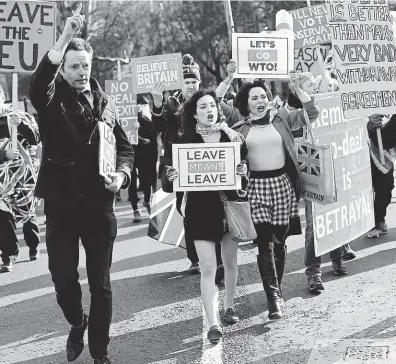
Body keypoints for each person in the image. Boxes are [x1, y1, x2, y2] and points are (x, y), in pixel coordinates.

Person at [29, 5, 134, 364]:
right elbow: (38, 83)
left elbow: (124, 146)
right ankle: (77, 321)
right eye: (73, 66)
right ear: (64, 67)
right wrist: (62, 37)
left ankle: (100, 352)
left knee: (101, 285)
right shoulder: (51, 97)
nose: (81, 72)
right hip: (61, 203)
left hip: (99, 204)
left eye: (85, 66)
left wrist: (121, 175)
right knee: (63, 279)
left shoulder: (107, 102)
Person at [161, 90, 248, 343]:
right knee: (208, 267)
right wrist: (172, 177)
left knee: (229, 261)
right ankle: (213, 323)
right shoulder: (184, 140)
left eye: (212, 105)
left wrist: (243, 171)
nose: (209, 110)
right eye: (203, 107)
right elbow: (167, 179)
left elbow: (244, 175)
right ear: (194, 113)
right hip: (199, 210)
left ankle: (229, 306)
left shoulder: (234, 138)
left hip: (227, 207)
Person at [231, 74, 319, 320]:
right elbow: (232, 160)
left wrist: (298, 92)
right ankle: (272, 298)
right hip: (256, 189)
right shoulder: (239, 130)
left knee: (279, 243)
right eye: (254, 98)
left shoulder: (282, 118)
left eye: (262, 96)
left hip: (282, 186)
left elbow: (311, 114)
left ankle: (276, 289)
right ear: (246, 103)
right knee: (264, 242)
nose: (259, 100)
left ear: (268, 99)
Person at [151, 54, 226, 280]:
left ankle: (217, 259)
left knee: (214, 209)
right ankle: (195, 258)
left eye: (194, 81)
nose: (191, 85)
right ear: (180, 84)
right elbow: (158, 125)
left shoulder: (207, 100)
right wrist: (156, 102)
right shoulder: (171, 104)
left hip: (207, 165)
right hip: (180, 169)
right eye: (186, 81)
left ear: (199, 82)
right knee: (187, 211)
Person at [0, 87, 40, 273]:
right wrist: (3, 153)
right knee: (3, 216)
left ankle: (33, 245)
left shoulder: (19, 116)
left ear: (3, 96)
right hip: (1, 179)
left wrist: (21, 125)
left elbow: (34, 140)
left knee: (27, 213)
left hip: (23, 175)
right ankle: (9, 256)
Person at [129, 95, 158, 223]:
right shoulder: (126, 117)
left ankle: (147, 200)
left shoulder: (148, 118)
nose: (139, 108)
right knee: (132, 182)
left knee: (146, 180)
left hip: (145, 154)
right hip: (130, 153)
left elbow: (153, 133)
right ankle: (135, 209)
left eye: (142, 105)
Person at [366, 113, 396, 238]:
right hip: (367, 150)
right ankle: (375, 222)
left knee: (386, 189)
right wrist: (372, 128)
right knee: (372, 189)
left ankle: (378, 220)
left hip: (384, 155)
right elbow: (385, 140)